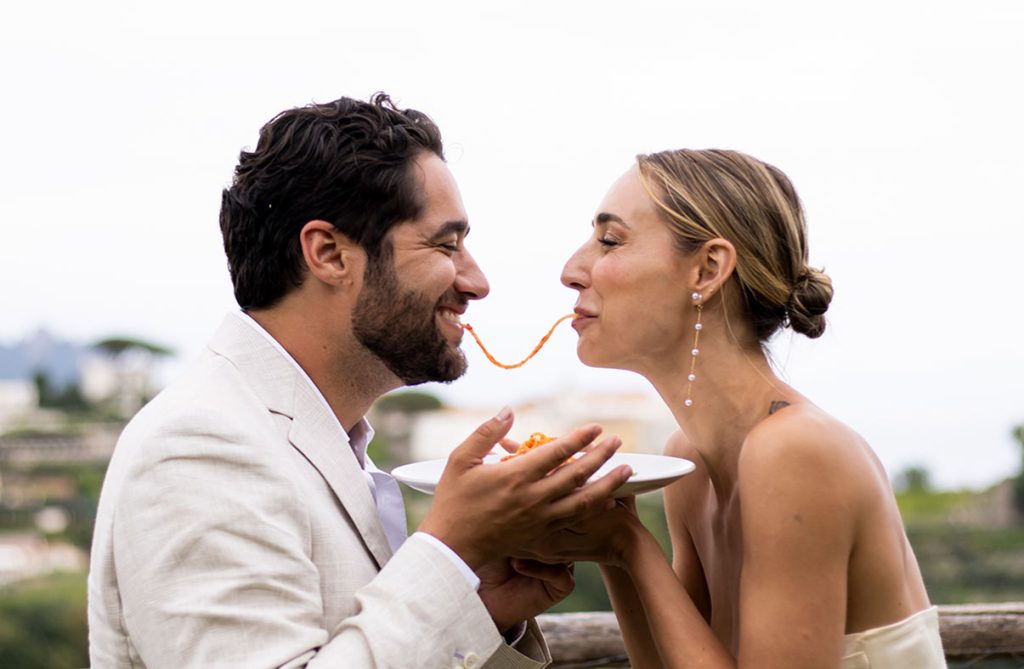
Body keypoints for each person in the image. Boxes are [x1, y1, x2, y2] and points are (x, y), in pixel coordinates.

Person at [87, 94, 633, 669]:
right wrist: (451, 552)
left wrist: (481, 608)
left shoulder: (324, 441)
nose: (477, 281)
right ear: (329, 254)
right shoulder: (202, 448)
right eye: (446, 244)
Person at [527, 149, 946, 668]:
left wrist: (632, 545)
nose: (572, 270)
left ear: (707, 270)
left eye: (610, 241)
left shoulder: (795, 450)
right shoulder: (691, 463)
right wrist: (611, 542)